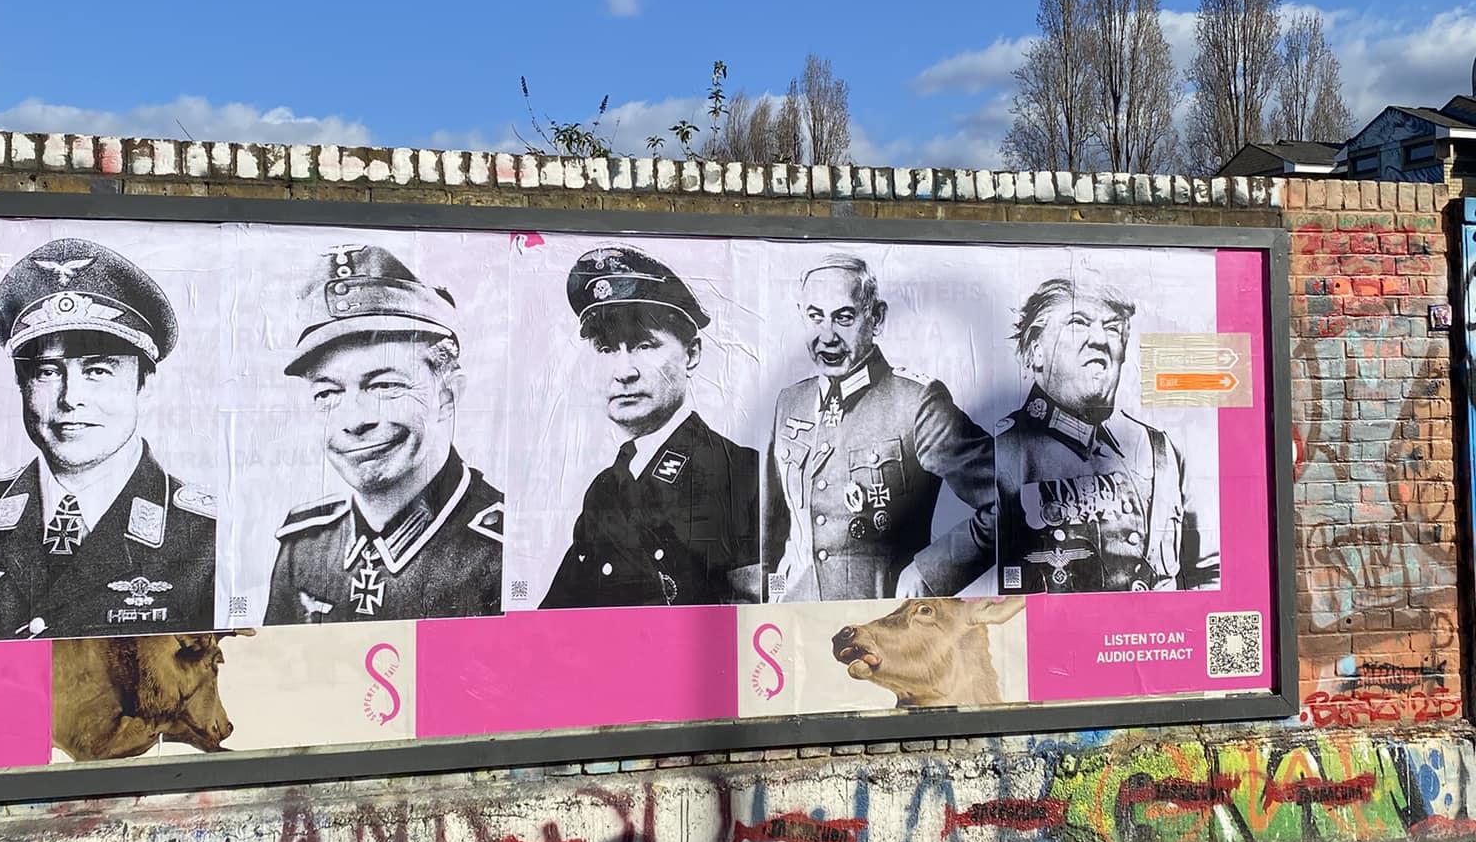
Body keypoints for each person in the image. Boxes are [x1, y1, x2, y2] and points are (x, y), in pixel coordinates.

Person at [0, 236, 216, 641]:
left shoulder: (205, 535)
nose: (70, 398)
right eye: (48, 372)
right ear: (21, 383)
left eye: (98, 371)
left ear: (145, 385)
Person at [265, 244, 503, 624]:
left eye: (384, 385)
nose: (354, 420)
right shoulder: (305, 547)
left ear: (447, 395)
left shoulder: (502, 548)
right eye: (327, 393)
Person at [763, 253, 994, 603]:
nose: (827, 336)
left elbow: (1007, 500)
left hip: (881, 621)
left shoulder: (917, 402)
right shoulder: (790, 401)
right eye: (815, 317)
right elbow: (772, 525)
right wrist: (768, 600)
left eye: (844, 317)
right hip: (796, 620)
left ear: (877, 317)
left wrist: (928, 573)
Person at [542, 245, 759, 609]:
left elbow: (757, 618)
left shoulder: (739, 472)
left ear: (691, 355)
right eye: (607, 349)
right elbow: (556, 620)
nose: (623, 371)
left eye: (644, 345)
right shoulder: (604, 489)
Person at [994, 272, 1219, 592]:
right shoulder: (997, 453)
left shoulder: (1159, 449)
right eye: (1078, 322)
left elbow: (1208, 574)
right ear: (1036, 349)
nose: (1100, 339)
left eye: (1112, 327)